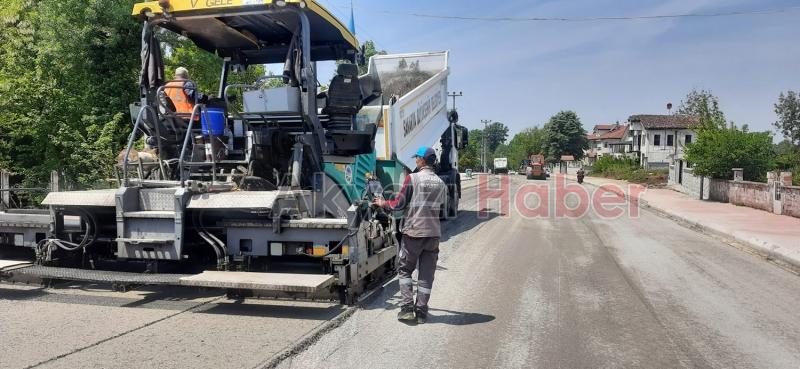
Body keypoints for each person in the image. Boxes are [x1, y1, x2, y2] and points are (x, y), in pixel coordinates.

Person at [374, 147, 446, 324]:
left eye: (417, 158)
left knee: (405, 270)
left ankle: (407, 309)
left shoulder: (412, 179)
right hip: (433, 234)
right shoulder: (441, 183)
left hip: (414, 232)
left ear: (422, 160)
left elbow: (398, 204)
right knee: (426, 274)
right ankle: (421, 312)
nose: (415, 161)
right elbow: (441, 206)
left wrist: (383, 203)